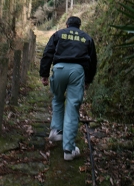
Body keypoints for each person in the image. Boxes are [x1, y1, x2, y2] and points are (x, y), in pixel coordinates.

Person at [39, 16, 97, 161]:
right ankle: (69, 149)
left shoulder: (59, 34)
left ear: (67, 24)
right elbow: (92, 61)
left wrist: (44, 74)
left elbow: (48, 53)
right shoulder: (86, 38)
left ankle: (56, 130)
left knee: (58, 99)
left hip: (59, 69)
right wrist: (88, 80)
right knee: (72, 107)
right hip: (77, 72)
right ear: (79, 26)